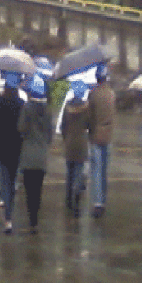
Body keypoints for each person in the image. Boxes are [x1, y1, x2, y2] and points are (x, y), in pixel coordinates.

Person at [17, 73, 53, 234]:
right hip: (41, 156)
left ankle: (31, 219)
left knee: (29, 189)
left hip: (28, 155)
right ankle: (35, 220)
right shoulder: (48, 112)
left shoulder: (27, 108)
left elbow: (21, 129)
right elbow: (50, 135)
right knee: (38, 189)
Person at [0, 70, 24, 234]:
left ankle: (7, 218)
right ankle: (10, 212)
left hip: (2, 147)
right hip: (16, 147)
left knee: (4, 180)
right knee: (12, 181)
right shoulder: (20, 103)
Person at [86, 63, 115, 218]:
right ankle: (103, 200)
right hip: (108, 135)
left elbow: (89, 117)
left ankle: (97, 203)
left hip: (96, 135)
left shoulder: (94, 94)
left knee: (96, 171)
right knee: (104, 171)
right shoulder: (111, 93)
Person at [60, 79, 90, 217]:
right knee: (78, 174)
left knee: (69, 174)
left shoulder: (67, 106)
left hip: (70, 143)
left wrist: (66, 138)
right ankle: (76, 205)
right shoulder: (86, 108)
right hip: (81, 144)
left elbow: (63, 127)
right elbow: (89, 125)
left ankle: (68, 200)